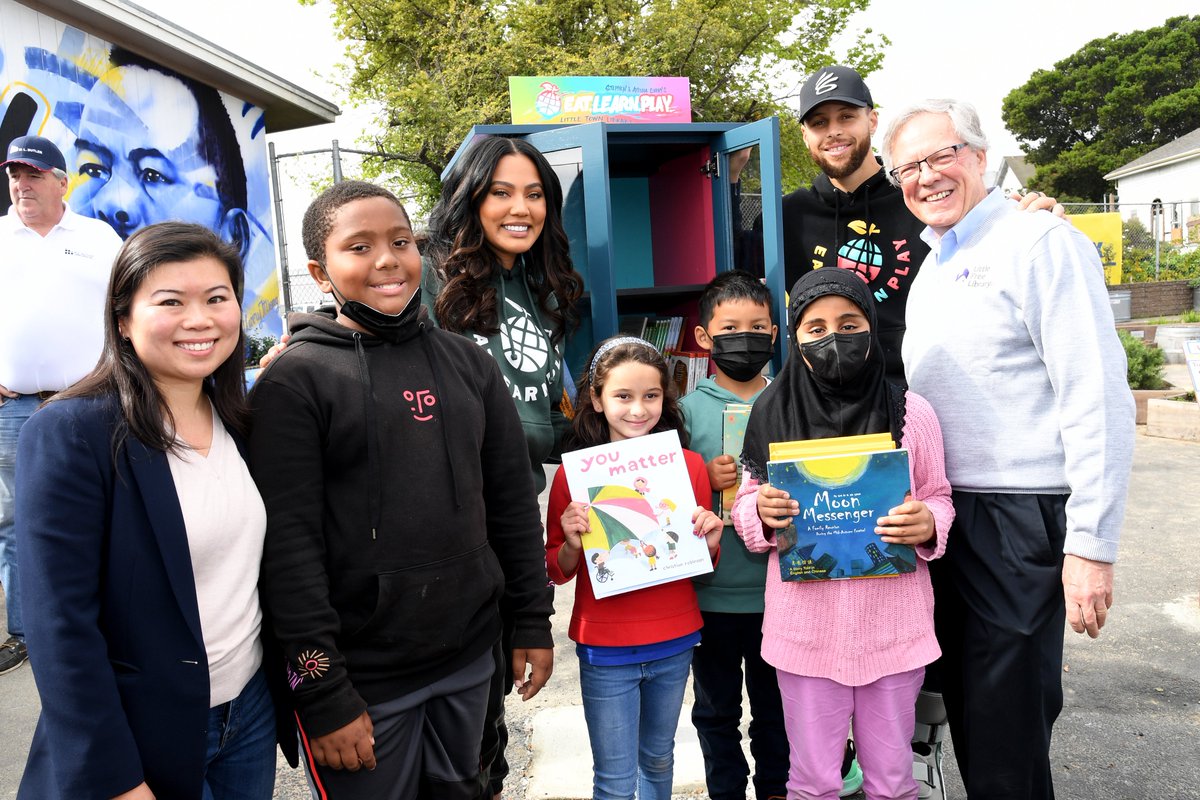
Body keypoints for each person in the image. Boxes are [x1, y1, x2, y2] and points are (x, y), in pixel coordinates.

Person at [247, 180, 554, 800]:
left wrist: (531, 619)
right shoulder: (295, 382)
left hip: (470, 658)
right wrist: (322, 690)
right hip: (366, 683)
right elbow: (288, 551)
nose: (387, 260)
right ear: (320, 270)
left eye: (401, 241)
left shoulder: (470, 365)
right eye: (359, 247)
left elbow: (513, 505)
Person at [880, 99, 1135, 799]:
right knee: (965, 718)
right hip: (945, 517)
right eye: (909, 166)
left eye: (943, 156)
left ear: (980, 156)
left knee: (1005, 737)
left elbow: (1097, 395)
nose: (927, 176)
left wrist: (1091, 546)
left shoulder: (1040, 243)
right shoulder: (934, 264)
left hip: (1019, 516)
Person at [15, 222, 294, 799]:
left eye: (217, 299)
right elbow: (59, 626)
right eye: (171, 302)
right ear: (122, 318)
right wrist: (114, 777)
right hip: (143, 732)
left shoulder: (241, 421)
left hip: (249, 715)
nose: (200, 319)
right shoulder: (73, 432)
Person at [731, 267, 954, 800]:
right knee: (811, 782)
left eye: (850, 322)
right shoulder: (770, 411)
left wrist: (928, 523)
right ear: (797, 337)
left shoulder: (911, 413)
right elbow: (744, 505)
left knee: (894, 782)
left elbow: (940, 496)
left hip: (893, 632)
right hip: (805, 636)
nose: (834, 337)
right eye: (815, 328)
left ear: (873, 328)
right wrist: (760, 511)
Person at [421, 135, 583, 797]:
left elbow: (552, 421)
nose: (521, 208)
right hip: (443, 536)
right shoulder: (430, 277)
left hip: (510, 529)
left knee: (484, 736)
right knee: (444, 741)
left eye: (535, 193)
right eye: (502, 192)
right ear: (470, 198)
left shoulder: (547, 293)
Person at [546, 336, 724, 800]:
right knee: (614, 778)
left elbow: (700, 565)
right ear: (597, 399)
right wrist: (569, 542)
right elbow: (557, 569)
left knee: (660, 758)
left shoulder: (689, 467)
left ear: (666, 399)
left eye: (651, 396)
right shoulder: (574, 475)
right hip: (605, 645)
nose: (638, 409)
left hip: (674, 639)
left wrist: (710, 539)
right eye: (623, 396)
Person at [0, 135, 122, 676]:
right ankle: (28, 632)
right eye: (14, 175)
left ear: (60, 181)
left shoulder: (98, 237)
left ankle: (110, 615)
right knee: (16, 522)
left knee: (109, 509)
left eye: (33, 174)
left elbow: (131, 302)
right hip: (15, 410)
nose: (21, 184)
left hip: (93, 403)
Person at [677, 270, 794, 800]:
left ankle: (776, 789)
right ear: (704, 337)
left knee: (778, 711)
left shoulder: (795, 401)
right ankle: (726, 790)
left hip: (783, 596)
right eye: (730, 328)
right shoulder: (681, 412)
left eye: (758, 327)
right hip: (710, 596)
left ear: (774, 334)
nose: (745, 338)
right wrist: (702, 478)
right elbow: (660, 497)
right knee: (715, 709)